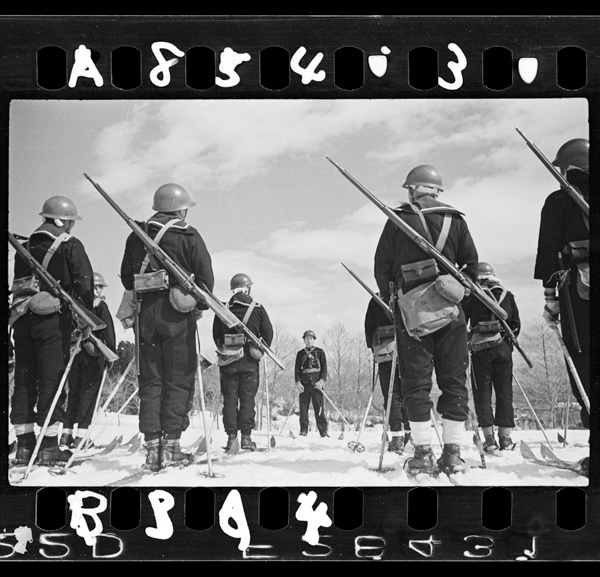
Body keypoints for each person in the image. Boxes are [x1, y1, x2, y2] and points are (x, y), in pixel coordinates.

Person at [374, 164, 478, 475]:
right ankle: (453, 452)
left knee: (416, 384)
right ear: (437, 190)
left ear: (411, 190)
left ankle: (421, 453)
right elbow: (471, 269)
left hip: (412, 314)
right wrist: (454, 299)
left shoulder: (398, 220)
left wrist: (396, 302)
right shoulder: (455, 220)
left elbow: (382, 269)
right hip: (452, 313)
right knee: (454, 381)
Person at [120, 183, 214, 471]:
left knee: (151, 380)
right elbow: (206, 282)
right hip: (176, 315)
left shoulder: (136, 235)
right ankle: (171, 447)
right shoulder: (189, 234)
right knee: (178, 378)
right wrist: (195, 304)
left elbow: (126, 278)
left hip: (144, 315)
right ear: (180, 209)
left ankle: (152, 450)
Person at [9, 195, 95, 466]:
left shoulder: (23, 246)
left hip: (22, 320)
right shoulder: (70, 245)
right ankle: (48, 447)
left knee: (24, 381)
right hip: (52, 323)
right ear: (62, 221)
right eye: (70, 221)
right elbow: (85, 287)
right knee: (51, 381)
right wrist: (85, 320)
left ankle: (24, 446)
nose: (71, 226)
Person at [534, 138, 590, 437]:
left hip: (579, 294)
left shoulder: (558, 201)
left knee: (584, 362)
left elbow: (549, 254)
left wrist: (550, 299)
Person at [463, 262, 521, 453]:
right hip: (503, 349)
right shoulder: (507, 296)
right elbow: (516, 325)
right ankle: (505, 438)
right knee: (505, 392)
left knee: (482, 393)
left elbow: (463, 322)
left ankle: (489, 439)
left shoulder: (472, 296)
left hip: (480, 351)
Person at [213, 273, 274, 452]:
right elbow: (268, 334)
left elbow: (216, 335)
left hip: (228, 362)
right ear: (247, 288)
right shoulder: (258, 309)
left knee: (230, 400)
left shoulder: (223, 309)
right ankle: (246, 438)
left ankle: (231, 438)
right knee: (248, 400)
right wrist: (257, 349)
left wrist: (227, 348)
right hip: (249, 362)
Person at [61, 272, 116, 449]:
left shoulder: (73, 304)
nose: (100, 291)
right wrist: (111, 354)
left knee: (74, 394)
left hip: (74, 352)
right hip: (93, 355)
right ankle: (81, 437)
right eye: (99, 287)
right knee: (88, 395)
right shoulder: (100, 305)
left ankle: (66, 435)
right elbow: (108, 332)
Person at [364, 295, 410, 452]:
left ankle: (397, 437)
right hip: (407, 351)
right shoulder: (403, 293)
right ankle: (409, 434)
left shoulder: (376, 299)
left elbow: (369, 327)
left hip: (385, 352)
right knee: (408, 393)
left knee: (391, 395)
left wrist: (373, 348)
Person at [294, 330, 329, 437]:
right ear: (304, 340)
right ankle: (303, 430)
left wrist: (321, 381)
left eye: (310, 338)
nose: (308, 340)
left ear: (314, 340)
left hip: (317, 384)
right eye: (306, 338)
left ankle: (323, 431)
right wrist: (298, 383)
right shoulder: (300, 353)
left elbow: (324, 368)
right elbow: (297, 370)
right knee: (303, 408)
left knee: (319, 408)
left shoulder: (320, 352)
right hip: (304, 384)